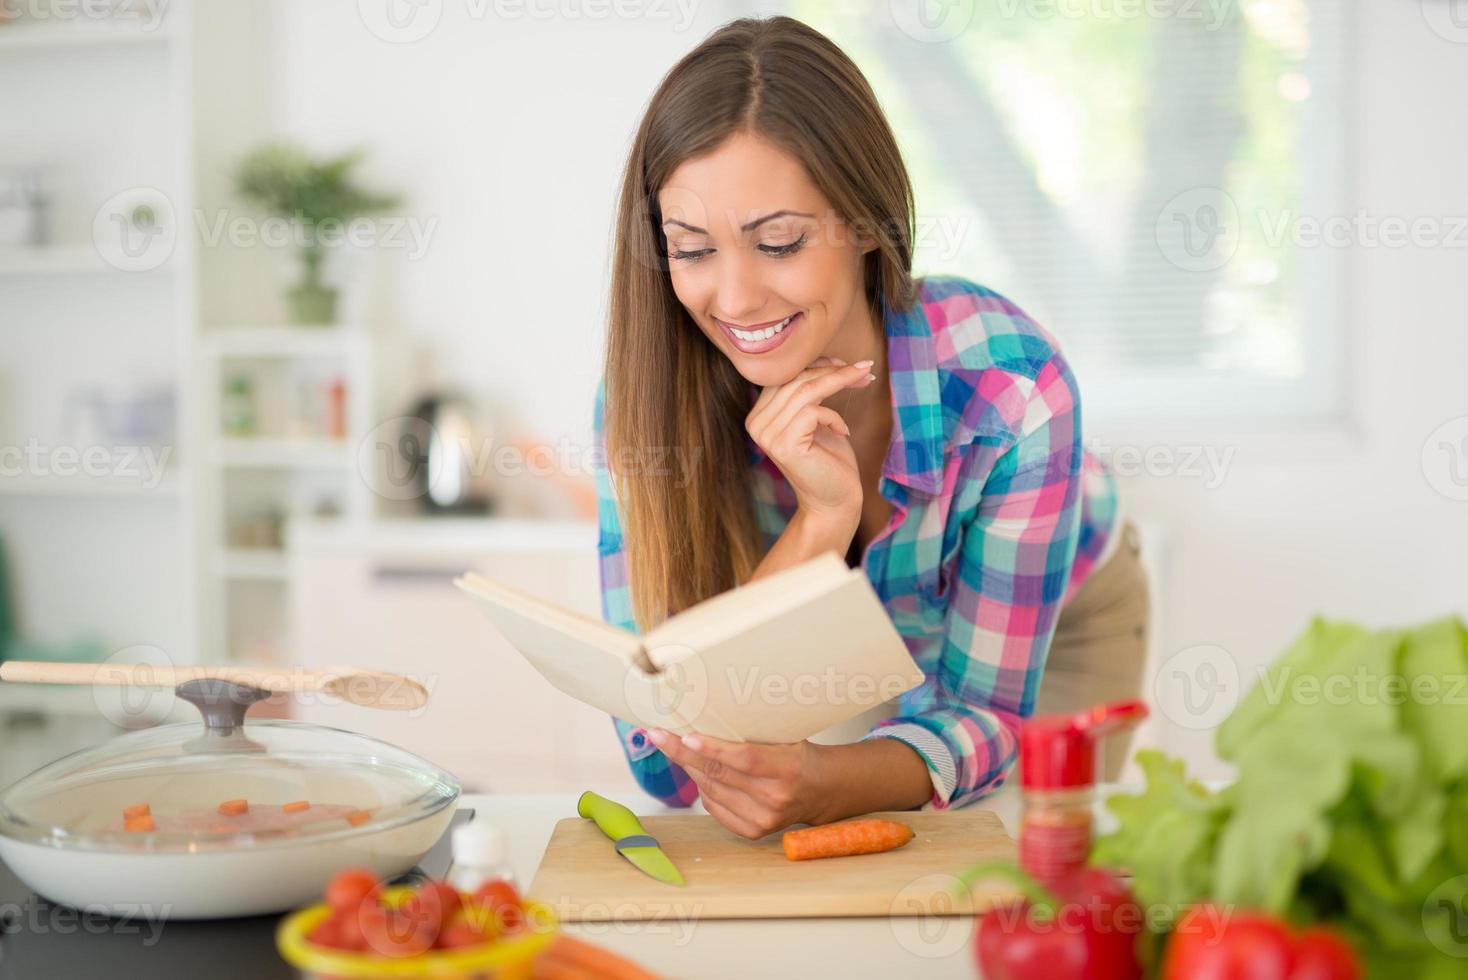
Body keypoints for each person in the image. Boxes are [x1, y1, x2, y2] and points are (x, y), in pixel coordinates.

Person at [592, 15, 1147, 840]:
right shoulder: (643, 404)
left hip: (1057, 615)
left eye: (778, 241)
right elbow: (663, 760)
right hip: (843, 642)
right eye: (692, 250)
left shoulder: (1010, 382)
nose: (736, 300)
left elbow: (985, 716)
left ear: (864, 222)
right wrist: (819, 527)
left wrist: (835, 780)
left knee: (1035, 866)